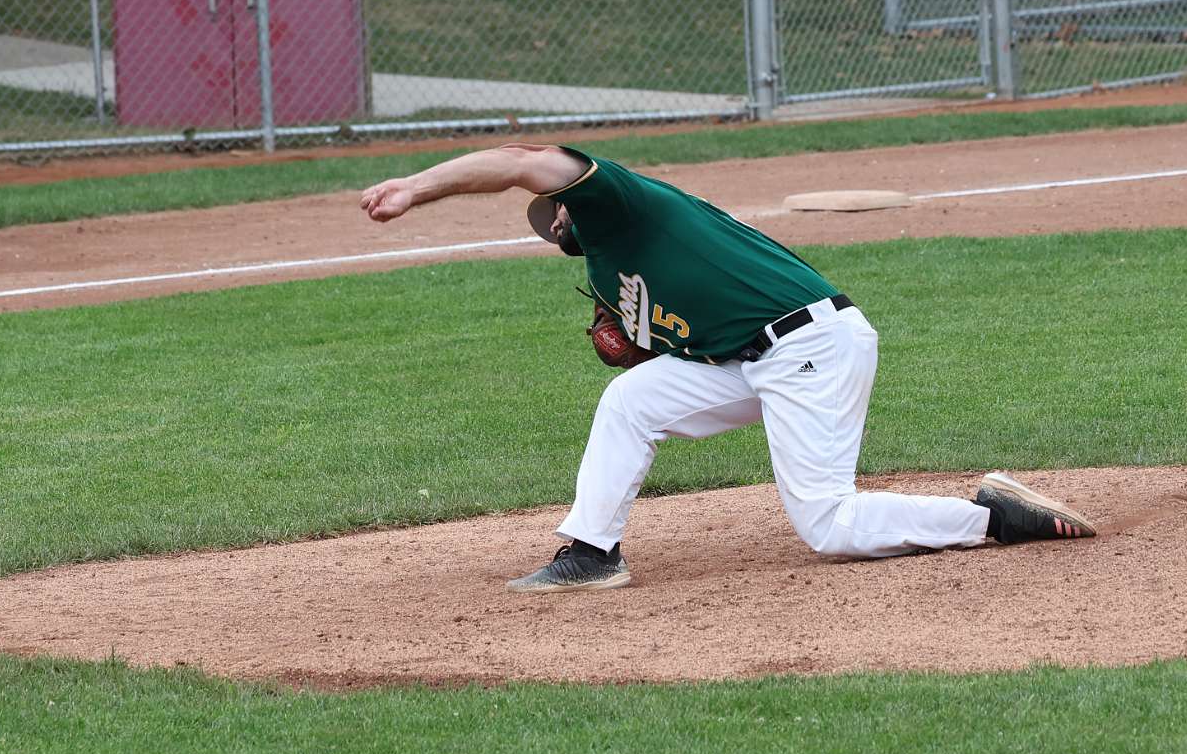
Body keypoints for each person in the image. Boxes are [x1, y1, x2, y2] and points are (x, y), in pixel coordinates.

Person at [359, 144, 1095, 592]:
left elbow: (521, 161)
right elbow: (683, 339)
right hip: (750, 356)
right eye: (550, 219)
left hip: (810, 345)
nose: (553, 216)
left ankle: (991, 516)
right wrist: (642, 346)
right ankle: (592, 553)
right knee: (631, 400)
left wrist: (417, 187)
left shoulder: (624, 202)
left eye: (556, 207)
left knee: (829, 524)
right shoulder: (616, 269)